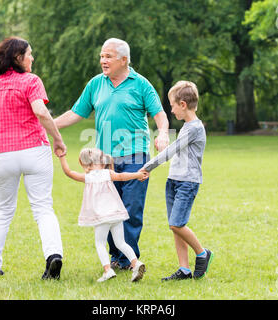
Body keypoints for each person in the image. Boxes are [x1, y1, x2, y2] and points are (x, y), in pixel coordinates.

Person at [54, 38, 169, 270]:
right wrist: (48, 125)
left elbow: (160, 114)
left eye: (108, 56)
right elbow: (76, 113)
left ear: (123, 60)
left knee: (131, 209)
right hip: (104, 161)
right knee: (107, 209)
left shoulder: (142, 84)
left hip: (136, 155)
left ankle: (128, 259)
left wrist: (164, 133)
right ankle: (116, 256)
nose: (102, 61)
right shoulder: (96, 84)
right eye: (101, 56)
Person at [0, 37, 66, 280]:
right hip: (33, 150)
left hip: (3, 154)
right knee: (43, 207)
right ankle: (53, 256)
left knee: (3, 210)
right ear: (18, 57)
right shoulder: (31, 81)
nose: (33, 58)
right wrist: (58, 139)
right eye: (30, 54)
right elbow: (40, 110)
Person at [139, 81, 214, 281]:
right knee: (175, 226)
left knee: (176, 224)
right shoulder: (187, 127)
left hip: (187, 182)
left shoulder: (194, 128)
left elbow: (171, 151)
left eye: (171, 106)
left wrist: (147, 167)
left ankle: (202, 253)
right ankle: (184, 269)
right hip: (173, 181)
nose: (170, 110)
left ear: (182, 104)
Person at [58, 147, 148, 282]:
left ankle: (107, 270)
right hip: (116, 214)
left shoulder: (87, 177)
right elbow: (122, 176)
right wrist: (137, 175)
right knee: (121, 242)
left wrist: (62, 157)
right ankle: (136, 263)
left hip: (102, 217)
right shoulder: (108, 173)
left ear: (85, 164)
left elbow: (69, 172)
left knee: (100, 243)